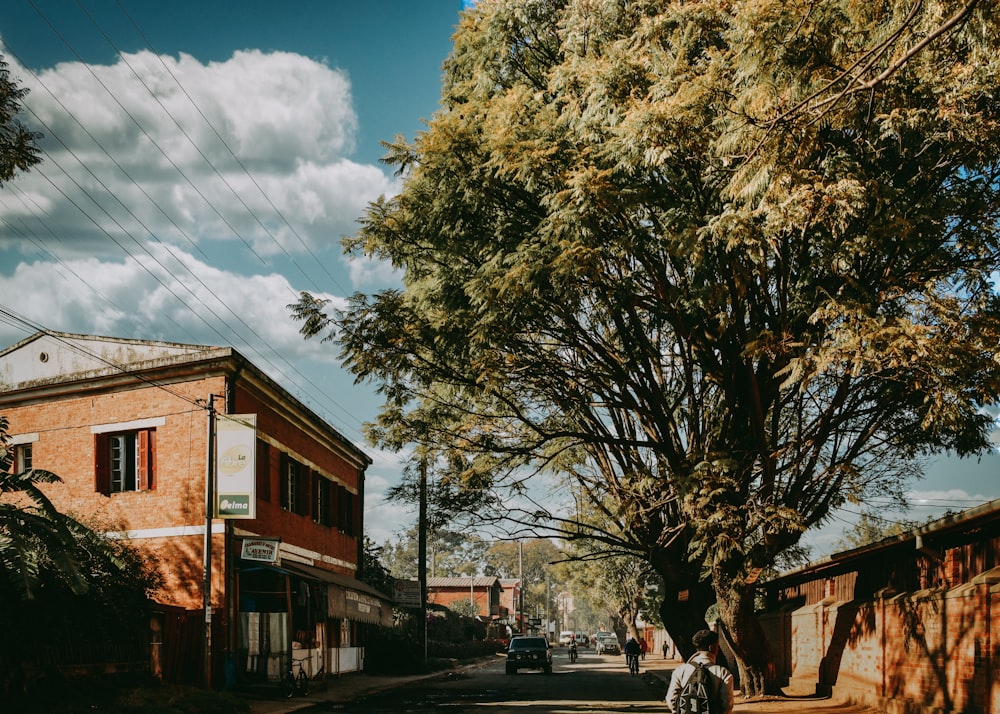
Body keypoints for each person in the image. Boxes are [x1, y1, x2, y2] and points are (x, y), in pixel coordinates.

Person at [664, 629, 734, 714]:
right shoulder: (723, 673)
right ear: (711, 647)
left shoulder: (680, 670)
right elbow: (727, 705)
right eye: (717, 646)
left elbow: (671, 699)